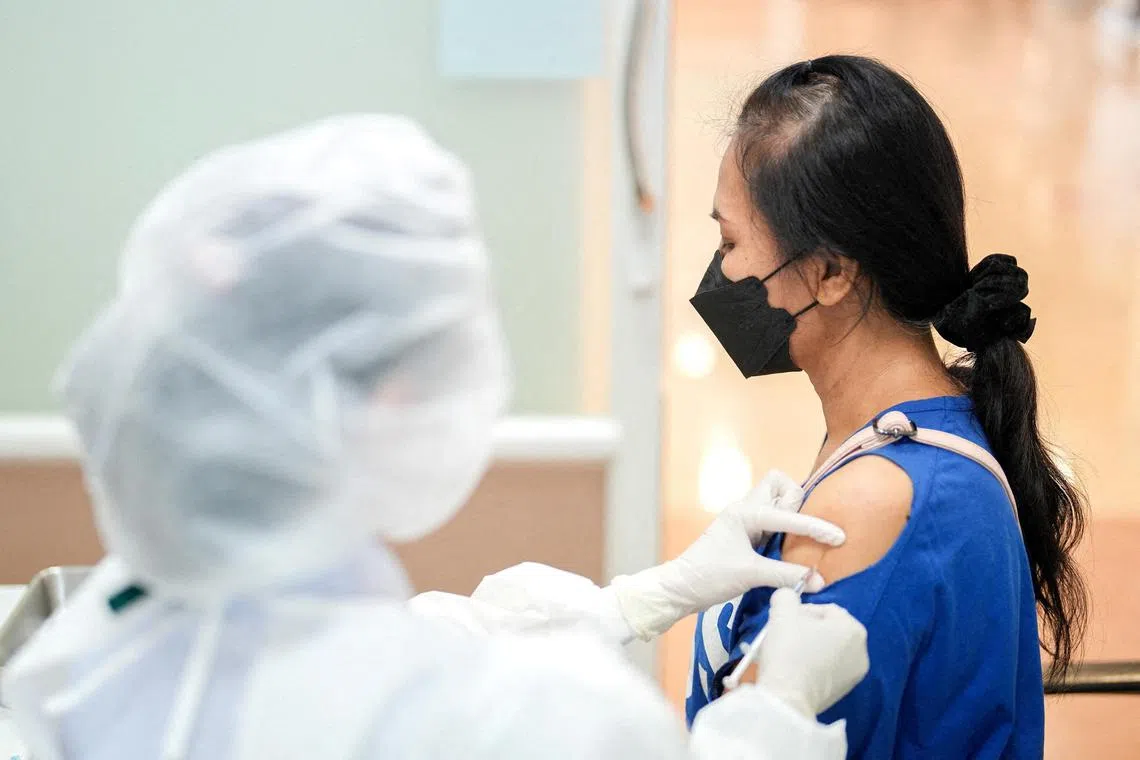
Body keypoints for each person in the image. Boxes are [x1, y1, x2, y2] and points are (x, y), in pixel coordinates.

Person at [0, 114, 868, 760]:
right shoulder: (518, 727)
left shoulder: (83, 659)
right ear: (397, 399)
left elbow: (372, 645)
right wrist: (777, 711)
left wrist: (642, 599)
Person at [680, 55, 1088, 758]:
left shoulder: (871, 504)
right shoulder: (935, 422)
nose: (724, 273)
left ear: (832, 272)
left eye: (732, 241)